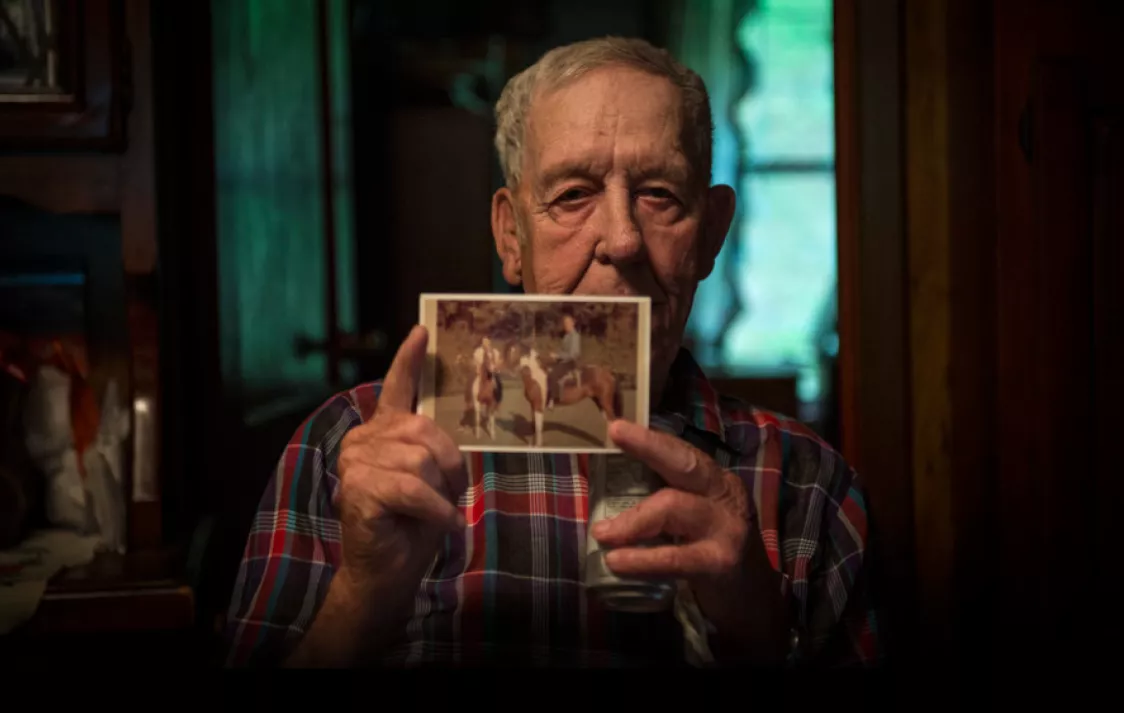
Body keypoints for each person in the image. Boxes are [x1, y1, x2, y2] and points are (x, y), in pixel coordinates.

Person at [225, 37, 878, 668]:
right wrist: (363, 598)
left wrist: (761, 634)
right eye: (573, 195)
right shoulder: (351, 450)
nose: (621, 240)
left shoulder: (810, 485)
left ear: (710, 235)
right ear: (512, 236)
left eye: (660, 194)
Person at [546, 313, 581, 407]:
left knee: (553, 374)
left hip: (569, 362)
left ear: (573, 323)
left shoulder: (574, 336)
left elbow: (573, 354)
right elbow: (563, 350)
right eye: (565, 323)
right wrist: (555, 354)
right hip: (564, 360)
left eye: (568, 323)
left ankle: (555, 398)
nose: (566, 325)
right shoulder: (567, 335)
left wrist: (557, 356)